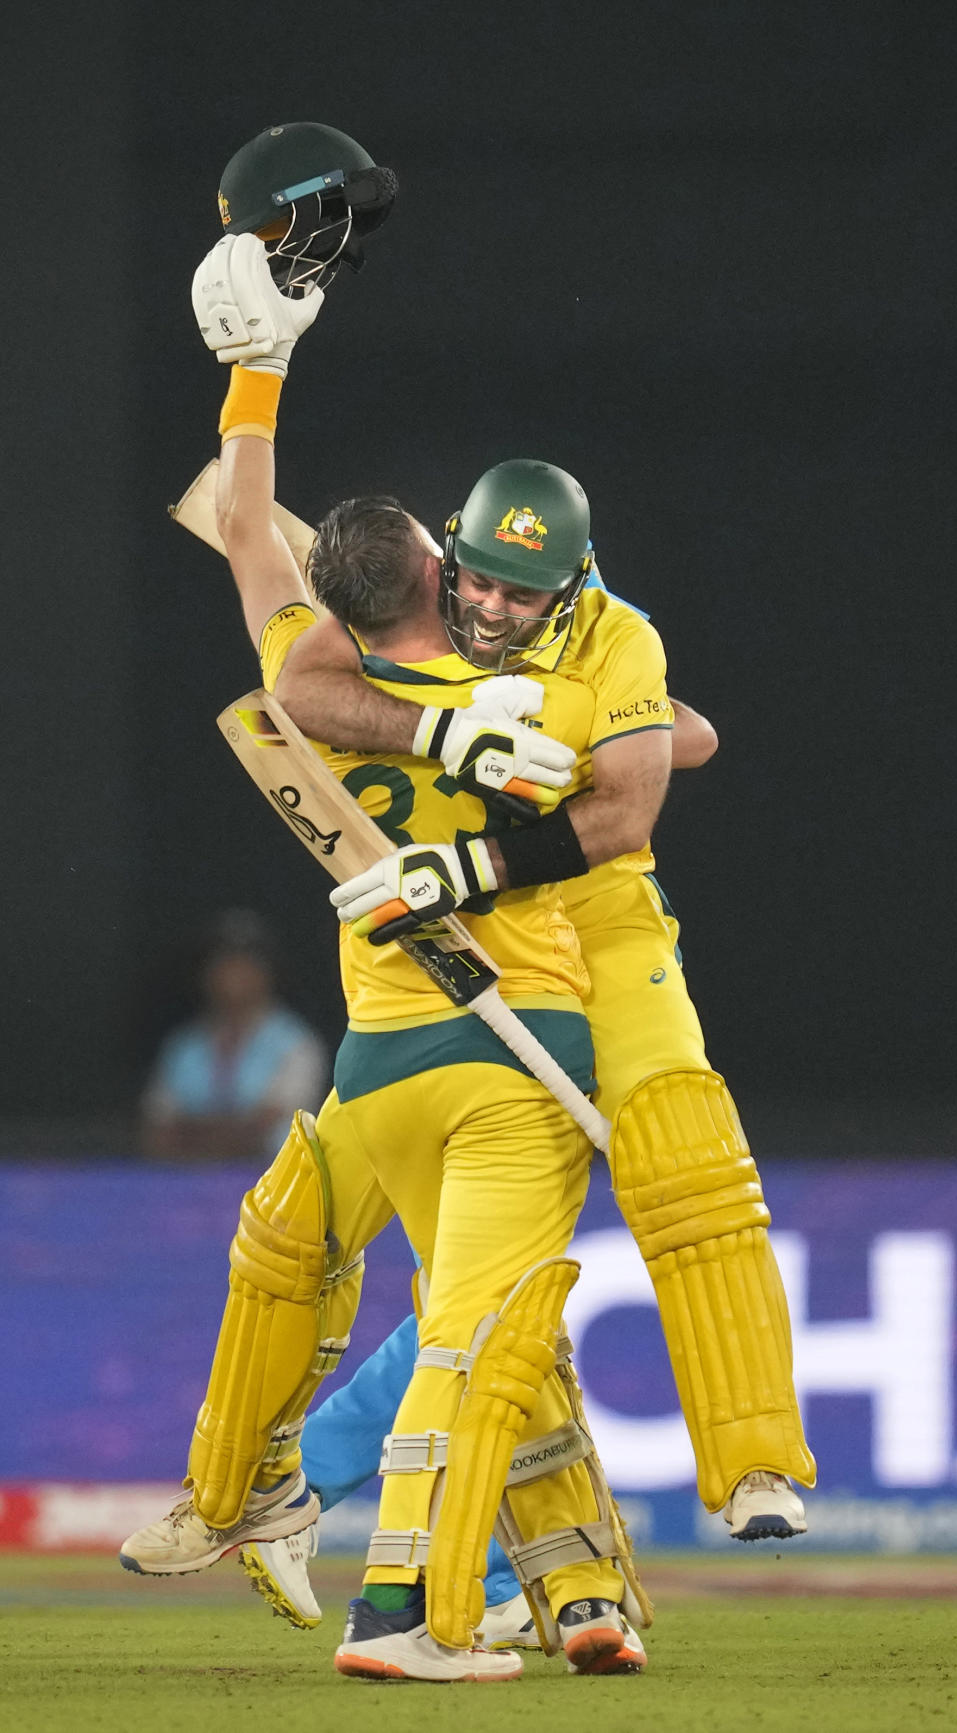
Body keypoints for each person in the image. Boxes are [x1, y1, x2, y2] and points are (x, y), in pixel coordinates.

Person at [122, 124, 659, 1685]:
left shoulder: (322, 678)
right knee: (482, 1335)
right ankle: (395, 1586)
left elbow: (240, 522)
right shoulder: (525, 679)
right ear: (444, 571)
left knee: (341, 1275)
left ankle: (332, 1520)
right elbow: (664, 749)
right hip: (513, 1042)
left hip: (375, 1049)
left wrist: (258, 371)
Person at [140, 909, 328, 1164]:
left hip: (272, 1185)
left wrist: (195, 1132)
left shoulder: (296, 1043)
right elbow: (158, 1131)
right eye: (224, 963)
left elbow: (273, 1125)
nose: (233, 973)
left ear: (267, 972)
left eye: (246, 962)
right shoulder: (184, 1046)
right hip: (186, 1188)